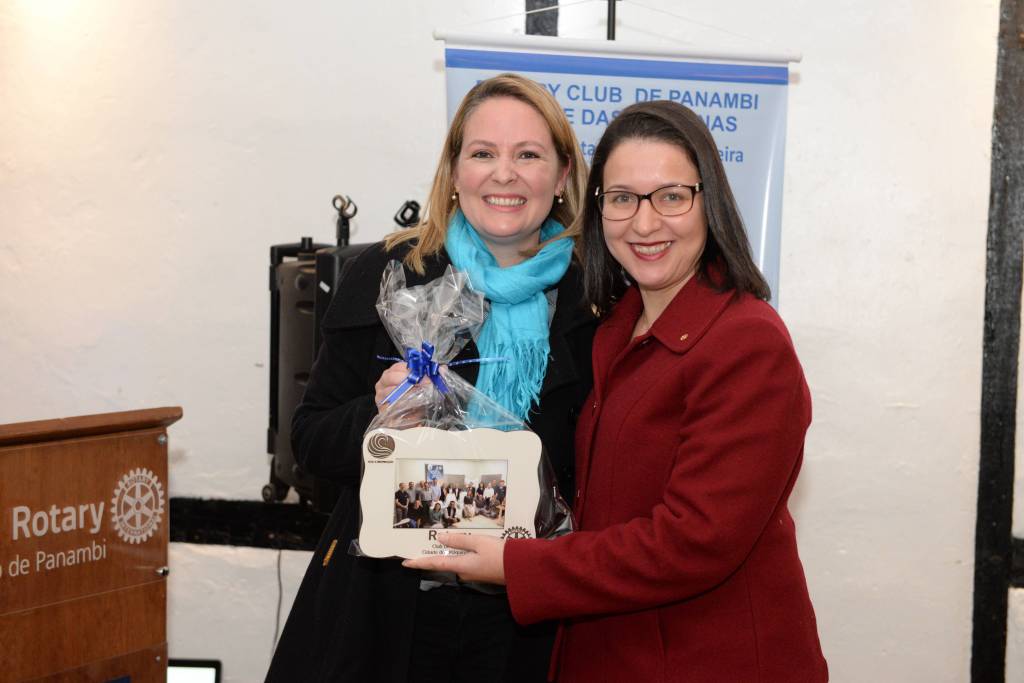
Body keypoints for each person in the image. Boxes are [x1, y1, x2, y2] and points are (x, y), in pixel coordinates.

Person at [404, 101, 829, 681]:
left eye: (671, 197)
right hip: (608, 649)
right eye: (623, 198)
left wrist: (520, 565)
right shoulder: (611, 329)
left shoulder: (747, 342)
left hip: (707, 659)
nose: (645, 224)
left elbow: (695, 540)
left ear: (710, 203)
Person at [265, 73, 596, 683]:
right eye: (483, 153)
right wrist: (379, 415)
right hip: (389, 612)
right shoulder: (391, 275)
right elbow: (309, 441)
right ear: (455, 170)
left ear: (562, 176)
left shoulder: (594, 297)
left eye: (528, 155)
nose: (504, 174)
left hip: (530, 624)